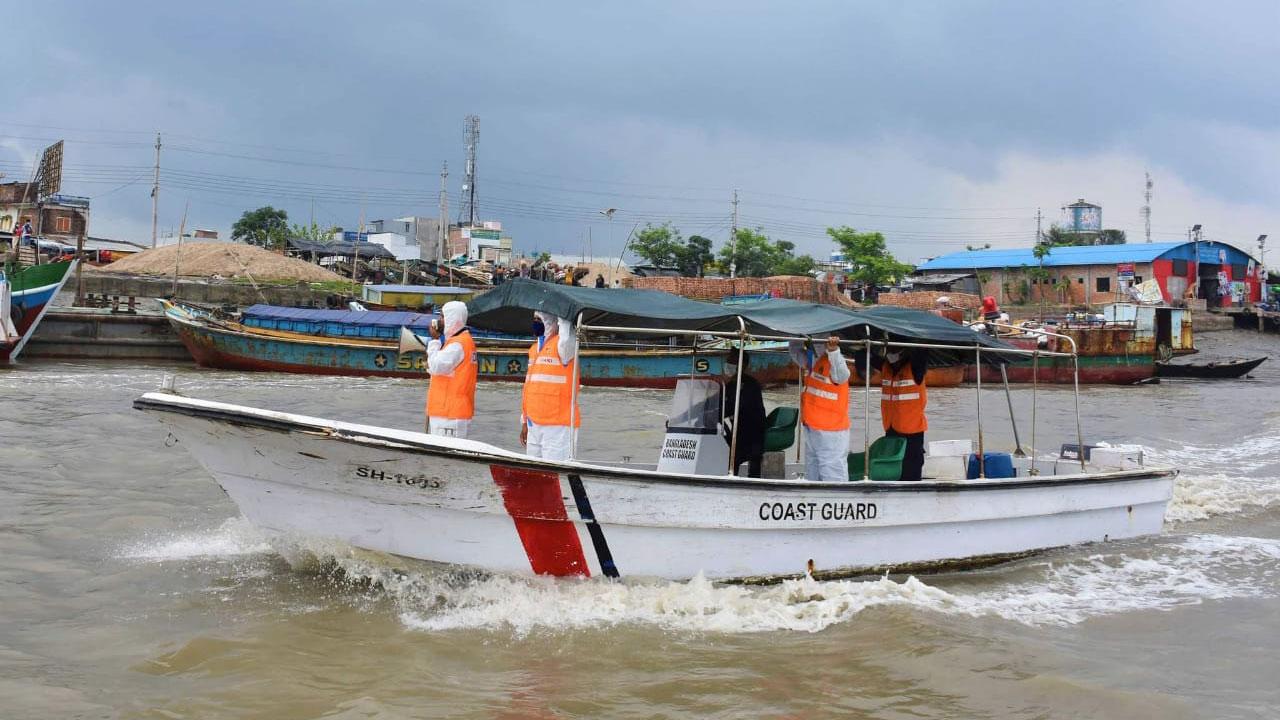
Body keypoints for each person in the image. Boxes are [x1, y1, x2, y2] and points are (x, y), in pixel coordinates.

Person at [857, 344, 929, 481]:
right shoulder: (887, 367)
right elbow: (868, 356)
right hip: (892, 428)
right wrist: (863, 353)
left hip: (912, 429)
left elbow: (922, 351)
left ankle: (912, 493)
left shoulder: (915, 368)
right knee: (893, 465)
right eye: (889, 350)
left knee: (910, 468)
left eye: (895, 351)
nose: (891, 354)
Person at [520, 310, 580, 461]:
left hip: (558, 426)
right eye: (534, 319)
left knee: (556, 474)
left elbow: (566, 337)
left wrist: (563, 312)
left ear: (550, 321)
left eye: (538, 319)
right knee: (534, 474)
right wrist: (524, 421)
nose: (535, 323)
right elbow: (528, 388)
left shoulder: (564, 347)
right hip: (534, 423)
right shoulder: (534, 349)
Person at [790, 335, 851, 481]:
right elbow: (796, 352)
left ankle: (837, 501)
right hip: (812, 426)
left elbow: (842, 376)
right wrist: (795, 333)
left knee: (832, 471)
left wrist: (834, 351)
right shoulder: (815, 362)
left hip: (831, 430)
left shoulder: (836, 362)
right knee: (813, 468)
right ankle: (814, 498)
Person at [425, 301, 478, 438]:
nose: (440, 321)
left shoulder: (458, 344)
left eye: (443, 317)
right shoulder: (456, 342)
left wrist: (435, 340)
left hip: (450, 415)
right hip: (445, 412)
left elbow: (436, 366)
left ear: (451, 318)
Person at [722, 351, 767, 477]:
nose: (728, 365)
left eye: (732, 362)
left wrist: (720, 413)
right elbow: (717, 401)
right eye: (728, 362)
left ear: (742, 365)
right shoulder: (730, 385)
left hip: (753, 433)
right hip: (737, 430)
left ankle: (748, 484)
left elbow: (735, 407)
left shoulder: (750, 385)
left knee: (737, 457)